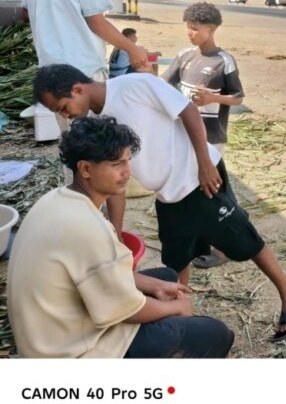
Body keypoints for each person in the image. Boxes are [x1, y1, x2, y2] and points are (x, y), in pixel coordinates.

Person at [33, 64, 286, 343]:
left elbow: (187, 110)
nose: (64, 115)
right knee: (177, 258)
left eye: (63, 107)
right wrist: (115, 235)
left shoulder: (135, 86)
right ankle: (180, 316)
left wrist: (203, 163)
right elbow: (114, 185)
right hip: (167, 194)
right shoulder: (96, 123)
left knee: (244, 239)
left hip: (198, 180)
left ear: (77, 89)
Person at [7, 116, 234, 358]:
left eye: (128, 161)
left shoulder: (58, 199)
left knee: (165, 276)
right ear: (85, 169)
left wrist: (156, 286)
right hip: (68, 352)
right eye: (116, 164)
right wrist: (176, 307)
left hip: (50, 330)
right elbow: (125, 309)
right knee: (215, 333)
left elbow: (101, 276)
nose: (128, 172)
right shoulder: (87, 227)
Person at [162, 2, 243, 269]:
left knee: (213, 191)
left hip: (212, 138)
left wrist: (211, 97)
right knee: (191, 189)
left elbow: (238, 97)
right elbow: (164, 84)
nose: (189, 32)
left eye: (195, 28)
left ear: (211, 29)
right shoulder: (185, 56)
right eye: (187, 27)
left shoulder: (224, 61)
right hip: (183, 135)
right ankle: (199, 244)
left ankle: (222, 249)